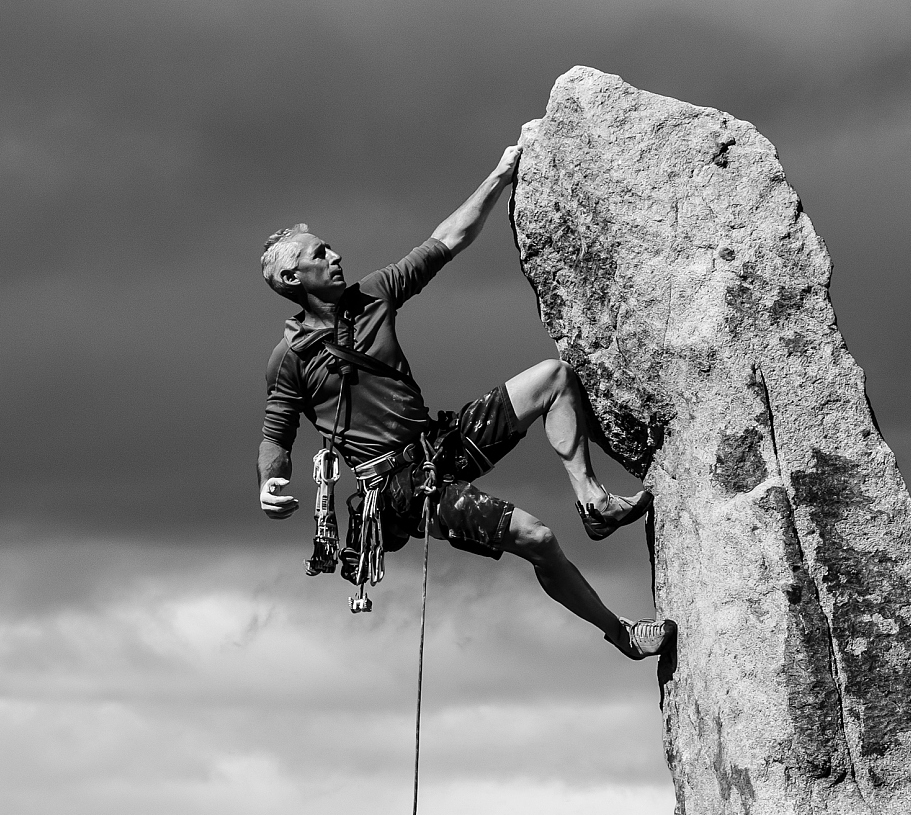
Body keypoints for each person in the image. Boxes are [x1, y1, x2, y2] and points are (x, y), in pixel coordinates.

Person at [256, 130, 675, 660]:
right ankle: (622, 635)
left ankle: (593, 501)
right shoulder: (290, 358)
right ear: (295, 276)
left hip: (437, 443)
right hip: (396, 486)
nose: (336, 254)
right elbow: (277, 434)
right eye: (322, 252)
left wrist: (499, 176)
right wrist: (271, 482)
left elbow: (447, 240)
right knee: (538, 539)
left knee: (553, 376)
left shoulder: (373, 295)